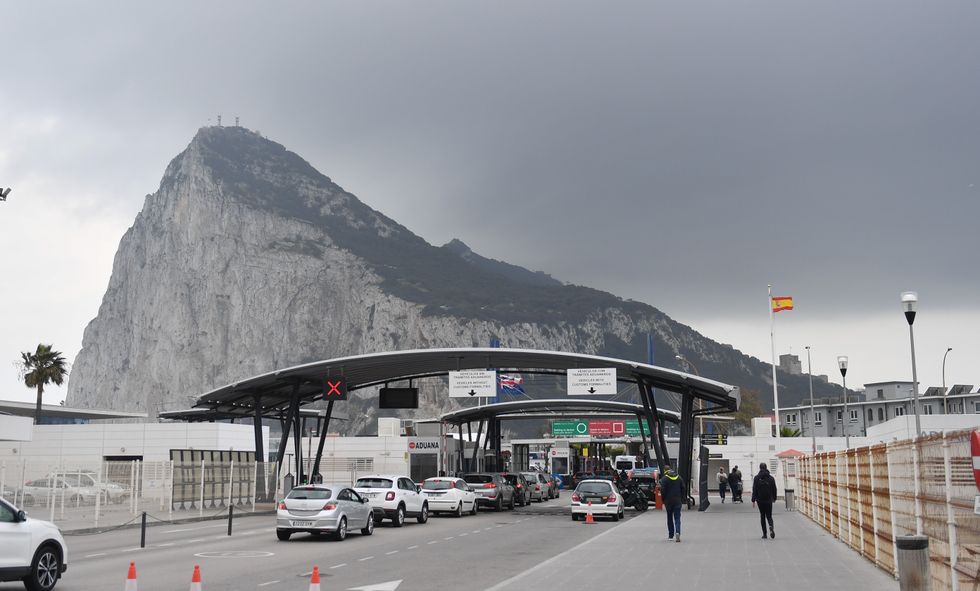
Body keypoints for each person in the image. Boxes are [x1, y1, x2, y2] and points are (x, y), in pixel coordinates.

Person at [658, 468, 686, 542]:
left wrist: (663, 500)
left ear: (665, 471)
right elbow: (683, 488)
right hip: (677, 501)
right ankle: (677, 532)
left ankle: (671, 535)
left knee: (669, 517)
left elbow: (663, 490)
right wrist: (682, 498)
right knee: (677, 518)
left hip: (668, 501)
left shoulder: (664, 479)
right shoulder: (679, 477)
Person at [752, 462, 778, 539]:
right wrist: (774, 498)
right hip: (769, 499)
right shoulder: (771, 478)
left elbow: (754, 489)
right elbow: (774, 489)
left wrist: (753, 499)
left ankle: (764, 534)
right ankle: (771, 526)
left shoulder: (756, 478)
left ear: (760, 468)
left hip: (760, 500)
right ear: (766, 468)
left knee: (762, 516)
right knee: (769, 516)